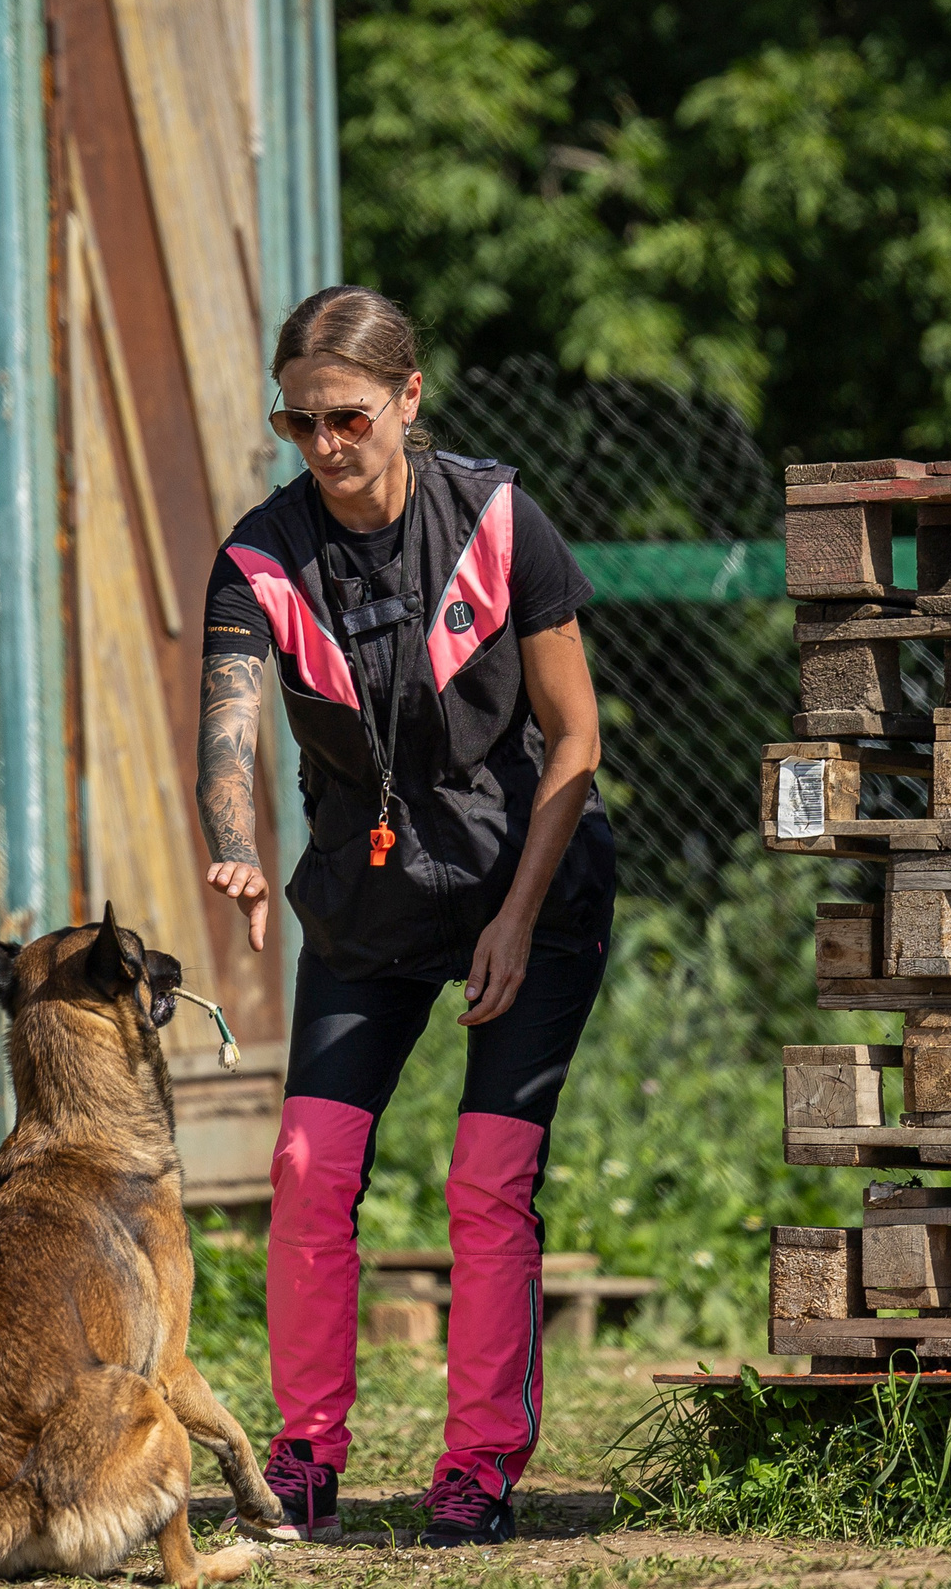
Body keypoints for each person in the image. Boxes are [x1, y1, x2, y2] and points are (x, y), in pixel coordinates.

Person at [196, 286, 616, 1549]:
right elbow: (225, 729)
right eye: (300, 421)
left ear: (407, 402)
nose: (325, 444)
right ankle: (305, 1455)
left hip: (525, 884)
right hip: (367, 901)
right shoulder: (261, 558)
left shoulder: (495, 519)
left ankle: (480, 1464)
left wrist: (515, 917)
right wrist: (235, 848)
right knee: (306, 1167)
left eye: (348, 418)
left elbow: (576, 740)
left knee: (486, 1180)